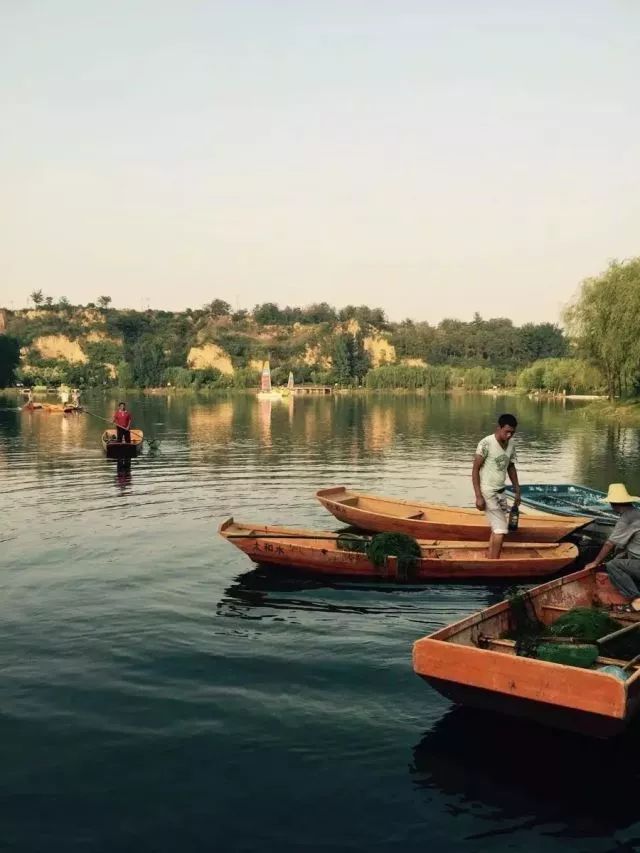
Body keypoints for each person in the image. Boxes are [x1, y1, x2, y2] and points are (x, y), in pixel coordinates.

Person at [584, 483, 640, 612]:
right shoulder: (637, 512)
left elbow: (610, 543)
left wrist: (595, 562)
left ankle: (637, 600)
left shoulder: (626, 519)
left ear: (613, 504)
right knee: (619, 560)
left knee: (612, 565)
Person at [472, 413, 521, 559]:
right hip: (488, 492)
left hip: (501, 491)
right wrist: (478, 496)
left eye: (512, 432)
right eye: (507, 431)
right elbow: (475, 469)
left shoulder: (511, 445)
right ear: (498, 428)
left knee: (497, 528)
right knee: (501, 530)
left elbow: (511, 467)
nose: (509, 435)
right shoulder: (486, 443)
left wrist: (517, 490)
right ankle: (494, 563)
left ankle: (490, 558)